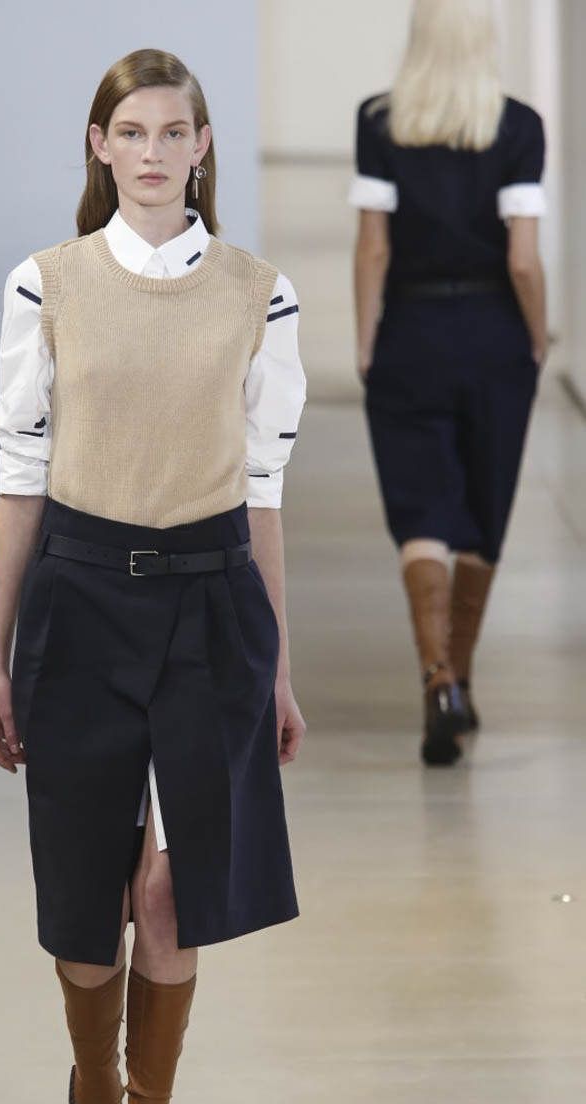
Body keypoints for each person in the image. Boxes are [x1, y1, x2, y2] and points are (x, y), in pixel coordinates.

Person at [0, 48, 307, 1104]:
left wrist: (279, 667)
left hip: (212, 611)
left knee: (172, 896)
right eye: (133, 132)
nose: (155, 152)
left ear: (203, 146)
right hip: (76, 606)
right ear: (100, 146)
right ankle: (96, 1085)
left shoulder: (260, 294)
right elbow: (20, 476)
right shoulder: (46, 284)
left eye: (176, 131)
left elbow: (264, 488)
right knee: (83, 922)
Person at [350, 0, 547, 765]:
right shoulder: (519, 127)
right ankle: (459, 676)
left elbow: (373, 248)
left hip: (410, 327)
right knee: (482, 506)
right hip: (495, 334)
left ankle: (435, 676)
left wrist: (366, 340)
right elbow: (522, 259)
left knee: (420, 510)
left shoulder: (379, 123)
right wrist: (536, 335)